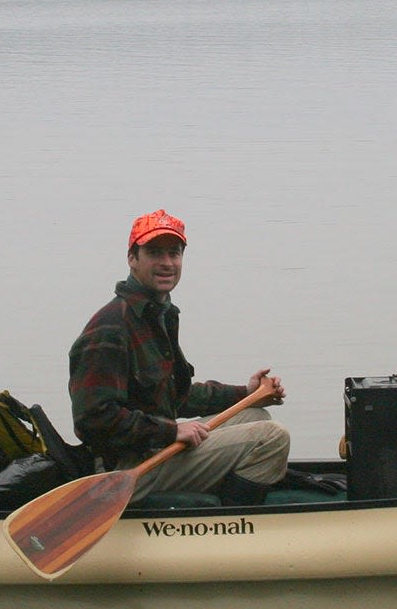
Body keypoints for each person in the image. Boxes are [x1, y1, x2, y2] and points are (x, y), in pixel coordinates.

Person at [69, 209, 289, 503]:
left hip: (154, 449)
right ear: (132, 259)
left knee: (255, 414)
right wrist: (170, 432)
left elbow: (176, 396)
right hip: (124, 468)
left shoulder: (158, 315)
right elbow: (93, 420)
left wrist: (246, 393)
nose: (167, 263)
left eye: (174, 253)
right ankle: (229, 525)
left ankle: (213, 494)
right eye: (154, 253)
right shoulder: (110, 328)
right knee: (272, 438)